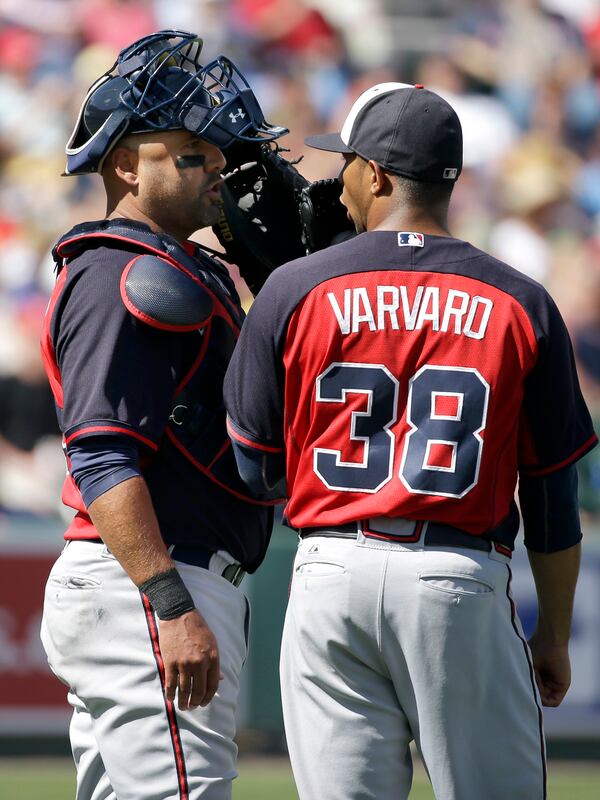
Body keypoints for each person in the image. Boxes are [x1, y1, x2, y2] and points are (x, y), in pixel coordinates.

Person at [223, 82, 598, 799]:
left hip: (328, 572)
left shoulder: (295, 288)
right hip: (455, 578)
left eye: (348, 164)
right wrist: (552, 630)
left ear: (379, 175)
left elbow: (256, 466)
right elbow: (552, 490)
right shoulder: (521, 299)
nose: (336, 182)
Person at [39, 30, 287, 800]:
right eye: (189, 154)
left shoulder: (176, 268)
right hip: (151, 580)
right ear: (124, 165)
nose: (215, 168)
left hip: (145, 581)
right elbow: (103, 456)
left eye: (213, 155)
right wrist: (170, 604)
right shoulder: (124, 271)